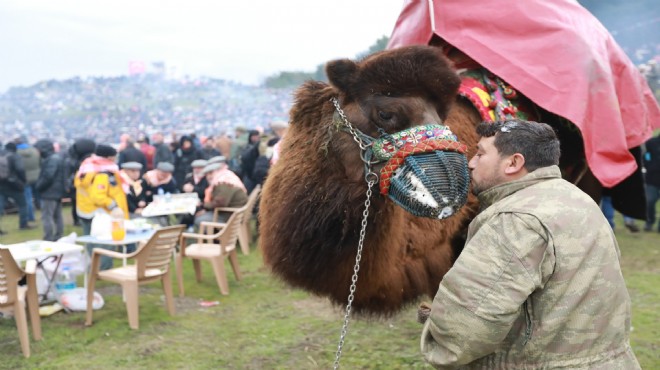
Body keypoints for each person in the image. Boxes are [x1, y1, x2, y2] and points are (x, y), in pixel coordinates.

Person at [420, 120, 639, 369]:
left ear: (513, 163)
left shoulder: (515, 220)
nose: (471, 162)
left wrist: (437, 333)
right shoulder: (578, 199)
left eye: (480, 154)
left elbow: (464, 332)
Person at [74, 144, 129, 271]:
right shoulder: (103, 173)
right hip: (100, 213)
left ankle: (93, 267)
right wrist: (113, 206)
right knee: (105, 241)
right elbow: (98, 196)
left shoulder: (85, 168)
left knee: (90, 240)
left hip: (84, 209)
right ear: (109, 157)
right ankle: (103, 269)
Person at [194, 159, 247, 227]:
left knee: (199, 219)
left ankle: (212, 237)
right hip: (235, 212)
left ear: (217, 171)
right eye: (207, 175)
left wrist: (205, 205)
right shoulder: (227, 176)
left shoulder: (223, 182)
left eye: (211, 173)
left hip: (231, 215)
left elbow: (220, 203)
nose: (208, 177)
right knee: (202, 215)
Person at [34, 139, 67, 241]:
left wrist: (38, 186)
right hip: (57, 191)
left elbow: (48, 176)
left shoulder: (51, 159)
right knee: (57, 216)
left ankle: (48, 237)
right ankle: (59, 235)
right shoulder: (56, 158)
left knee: (47, 216)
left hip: (49, 192)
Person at [0, 141, 32, 233]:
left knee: (0, 207)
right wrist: (23, 181)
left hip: (1, 185)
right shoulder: (15, 156)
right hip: (15, 185)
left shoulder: (1, 155)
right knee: (22, 205)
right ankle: (23, 225)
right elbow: (20, 169)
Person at [15, 136, 41, 222]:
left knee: (28, 199)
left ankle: (31, 217)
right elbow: (40, 161)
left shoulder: (16, 153)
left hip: (25, 178)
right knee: (40, 197)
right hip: (37, 176)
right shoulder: (33, 150)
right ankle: (46, 214)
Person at [643, 133, 660, 232]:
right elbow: (646, 155)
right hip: (652, 178)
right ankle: (649, 221)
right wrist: (649, 165)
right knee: (650, 200)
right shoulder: (651, 142)